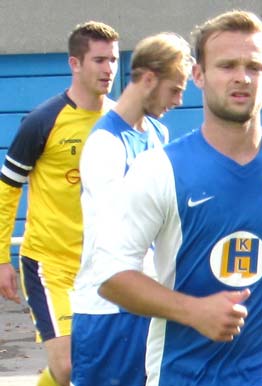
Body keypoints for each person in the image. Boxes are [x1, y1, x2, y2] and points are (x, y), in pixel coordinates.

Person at [93, 10, 262, 386]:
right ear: (198, 75)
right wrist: (192, 311)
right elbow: (110, 274)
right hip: (183, 373)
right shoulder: (159, 170)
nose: (242, 77)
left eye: (254, 67)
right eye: (227, 65)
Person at [70, 32, 193, 386]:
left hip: (149, 302)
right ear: (149, 79)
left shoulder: (158, 134)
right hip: (108, 310)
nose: (180, 100)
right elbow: (117, 237)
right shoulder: (105, 144)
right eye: (175, 89)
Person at [0, 21, 119, 386]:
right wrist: (1, 257)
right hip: (52, 265)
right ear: (74, 63)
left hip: (108, 265)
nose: (109, 69)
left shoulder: (121, 121)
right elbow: (7, 190)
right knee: (69, 366)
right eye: (99, 60)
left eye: (113, 59)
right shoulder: (42, 121)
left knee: (109, 364)